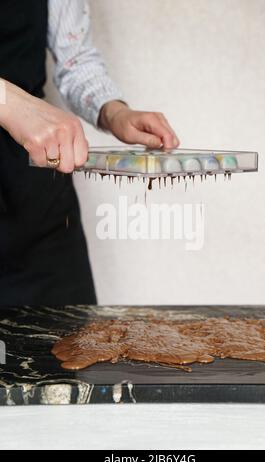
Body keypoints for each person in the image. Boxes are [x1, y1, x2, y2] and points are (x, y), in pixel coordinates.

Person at [0, 0, 179, 307]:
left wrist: (114, 112)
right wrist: (8, 101)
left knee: (72, 345)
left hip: (35, 198)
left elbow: (76, 59)